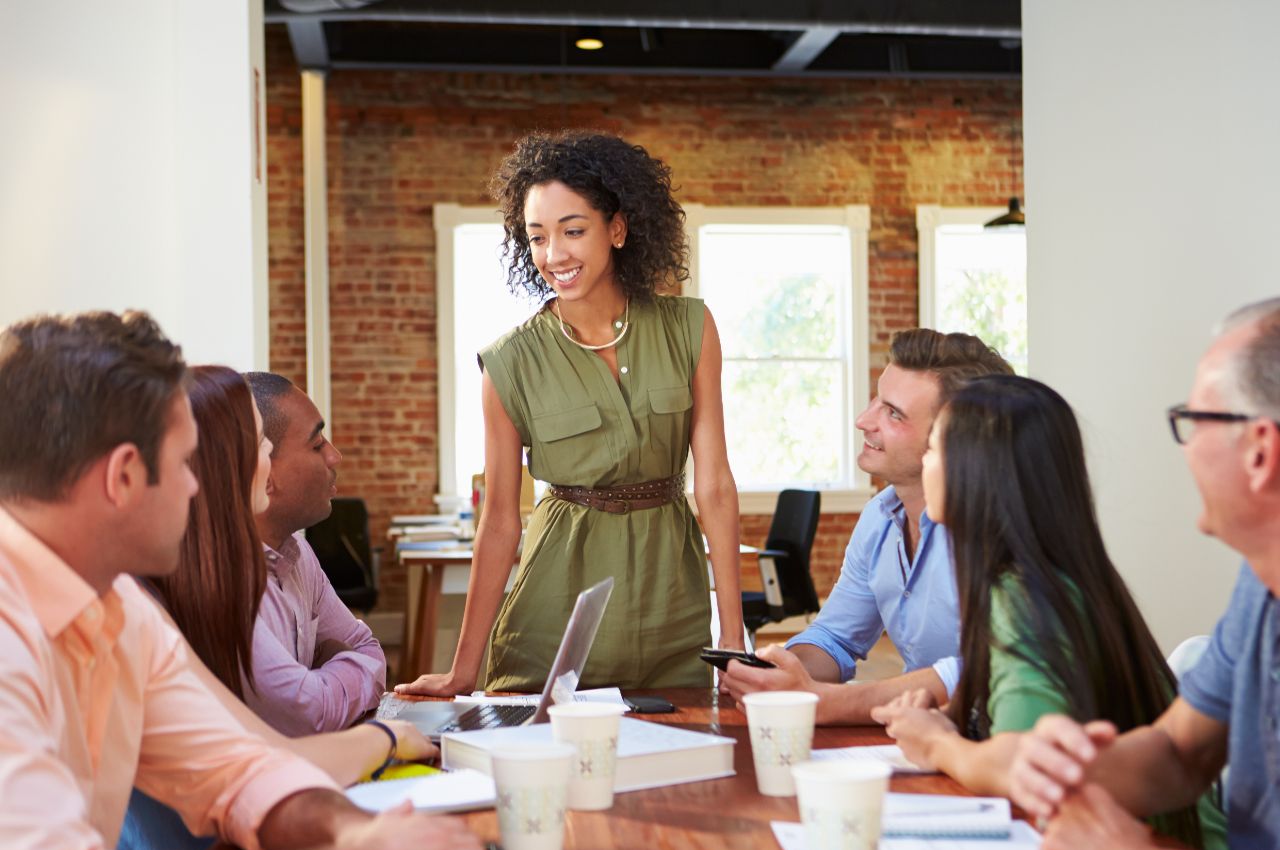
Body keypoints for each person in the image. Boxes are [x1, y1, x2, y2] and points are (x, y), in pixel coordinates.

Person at [0, 310, 478, 850]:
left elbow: (242, 770)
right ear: (124, 477)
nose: (198, 486)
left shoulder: (120, 610)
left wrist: (357, 834)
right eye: (186, 462)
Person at [398, 131, 743, 695]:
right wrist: (464, 670)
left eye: (573, 231)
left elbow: (717, 488)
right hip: (555, 604)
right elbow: (501, 522)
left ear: (618, 229)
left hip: (671, 604)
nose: (553, 254)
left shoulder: (690, 328)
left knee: (682, 763)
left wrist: (732, 635)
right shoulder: (509, 364)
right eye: (537, 237)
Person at [867, 374, 1225, 850]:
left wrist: (938, 745)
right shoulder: (1053, 579)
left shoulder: (1024, 595)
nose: (925, 463)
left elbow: (1022, 763)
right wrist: (952, 719)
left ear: (977, 471)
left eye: (933, 449)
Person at [121, 365, 440, 850]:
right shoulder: (134, 602)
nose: (191, 489)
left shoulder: (140, 608)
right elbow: (290, 731)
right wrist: (384, 741)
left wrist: (358, 823)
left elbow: (262, 759)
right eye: (262, 449)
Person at [1005, 297, 1280, 850]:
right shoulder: (1260, 583)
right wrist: (1068, 768)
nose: (1184, 448)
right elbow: (1181, 751)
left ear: (1260, 451)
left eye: (1195, 420)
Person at [722, 328, 1012, 722]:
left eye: (893, 413)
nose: (863, 420)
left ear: (957, 440)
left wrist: (824, 702)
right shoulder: (880, 516)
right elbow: (835, 636)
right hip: (931, 732)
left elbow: (985, 671)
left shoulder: (999, 531)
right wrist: (779, 673)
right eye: (877, 399)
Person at [222, 370, 386, 736]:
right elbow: (305, 712)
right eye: (316, 445)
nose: (335, 456)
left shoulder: (297, 552)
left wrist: (328, 673)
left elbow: (367, 647)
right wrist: (335, 669)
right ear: (263, 469)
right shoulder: (225, 577)